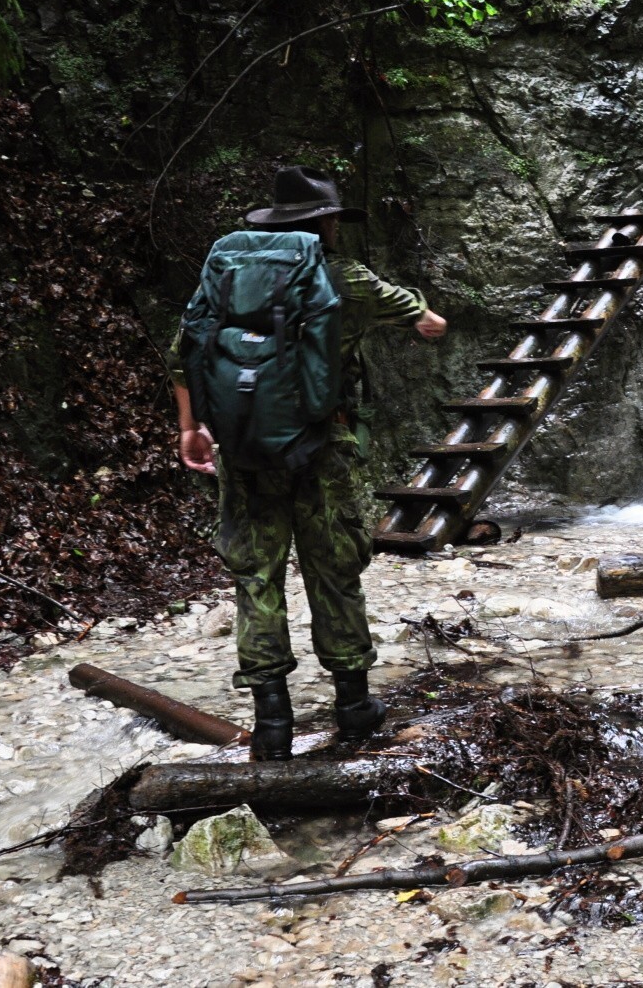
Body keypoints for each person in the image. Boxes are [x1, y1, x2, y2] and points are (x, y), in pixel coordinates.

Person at [169, 167, 446, 761]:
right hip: (322, 448)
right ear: (326, 222)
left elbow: (184, 352)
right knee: (333, 569)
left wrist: (192, 428)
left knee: (256, 576)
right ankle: (353, 707)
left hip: (244, 447)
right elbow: (421, 317)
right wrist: (425, 316)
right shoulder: (345, 278)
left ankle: (272, 723)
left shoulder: (228, 275)